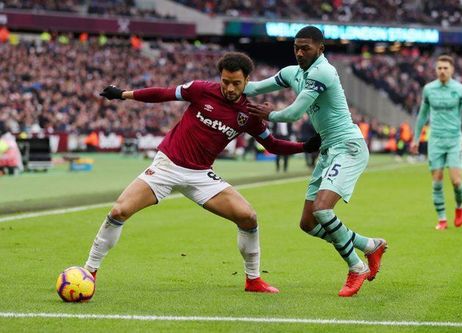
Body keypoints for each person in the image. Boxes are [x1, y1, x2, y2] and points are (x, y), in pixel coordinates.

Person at [84, 52, 321, 294]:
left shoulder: (249, 114)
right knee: (119, 211)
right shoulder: (200, 90)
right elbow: (163, 94)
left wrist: (305, 147)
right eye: (225, 81)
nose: (229, 87)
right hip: (168, 166)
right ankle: (89, 272)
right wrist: (123, 95)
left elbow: (272, 145)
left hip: (201, 176)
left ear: (247, 81)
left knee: (248, 217)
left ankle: (253, 280)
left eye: (236, 83)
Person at [245, 26, 387, 297]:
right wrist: (225, 86)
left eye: (306, 48)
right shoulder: (292, 73)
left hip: (347, 147)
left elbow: (294, 112)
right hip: (327, 150)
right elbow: (254, 87)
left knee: (323, 210)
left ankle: (356, 267)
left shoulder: (323, 71)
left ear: (320, 48)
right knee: (308, 223)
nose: (299, 52)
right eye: (296, 47)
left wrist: (269, 114)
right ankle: (370, 246)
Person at [410, 55, 462, 230]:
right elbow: (422, 116)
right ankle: (442, 219)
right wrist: (416, 139)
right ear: (436, 70)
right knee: (437, 180)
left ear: (452, 70)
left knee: (456, 181)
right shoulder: (429, 89)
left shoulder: (460, 89)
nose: (442, 71)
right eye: (439, 68)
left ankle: (459, 207)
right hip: (436, 141)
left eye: (446, 68)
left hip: (455, 140)